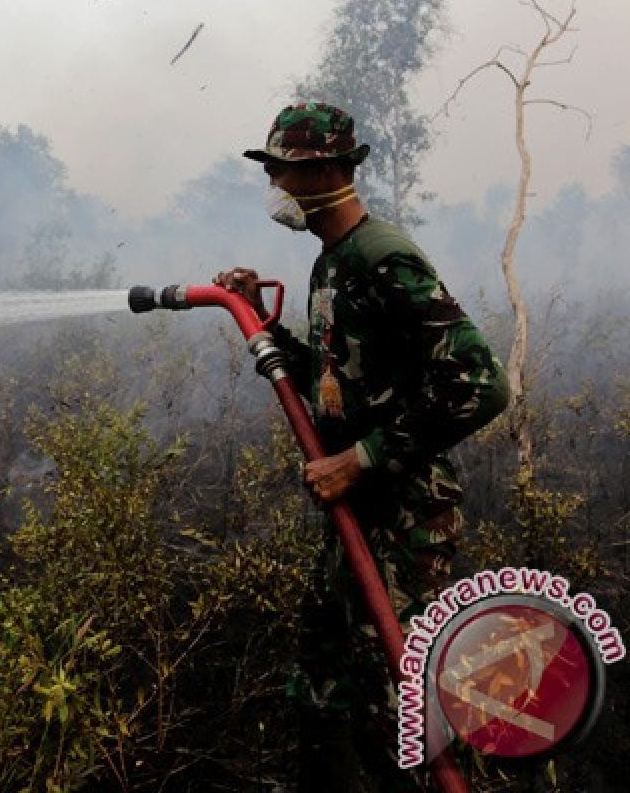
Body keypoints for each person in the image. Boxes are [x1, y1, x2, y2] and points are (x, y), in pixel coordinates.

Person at [216, 103, 509, 792]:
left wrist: (363, 459)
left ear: (322, 170)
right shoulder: (331, 265)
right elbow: (336, 390)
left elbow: (480, 383)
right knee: (320, 685)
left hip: (404, 519)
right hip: (357, 518)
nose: (276, 189)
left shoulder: (383, 255)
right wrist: (259, 318)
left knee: (399, 712)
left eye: (281, 172)